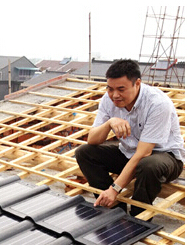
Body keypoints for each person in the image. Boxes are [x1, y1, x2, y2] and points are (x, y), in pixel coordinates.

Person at [75, 59, 184, 217]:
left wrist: (115, 189)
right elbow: (92, 140)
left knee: (148, 165)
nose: (115, 95)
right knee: (84, 152)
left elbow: (143, 153)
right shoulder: (109, 99)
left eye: (121, 89)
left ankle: (138, 218)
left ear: (137, 83)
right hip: (128, 153)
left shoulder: (157, 104)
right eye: (110, 89)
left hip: (164, 158)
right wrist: (109, 123)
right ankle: (111, 208)